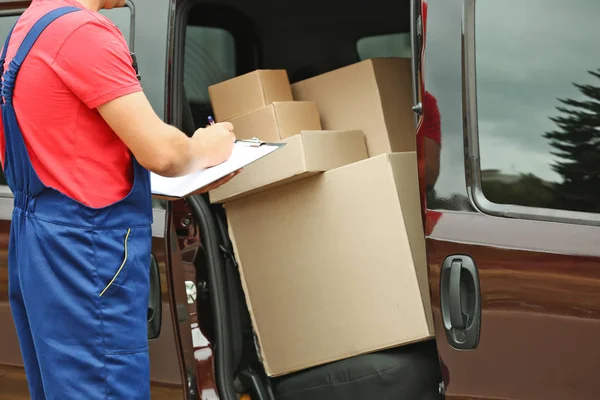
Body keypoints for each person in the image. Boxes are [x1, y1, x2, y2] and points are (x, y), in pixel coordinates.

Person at [0, 0, 236, 398]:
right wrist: (208, 146)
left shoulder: (28, 26)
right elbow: (164, 153)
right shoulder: (83, 33)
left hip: (40, 238)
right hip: (85, 250)